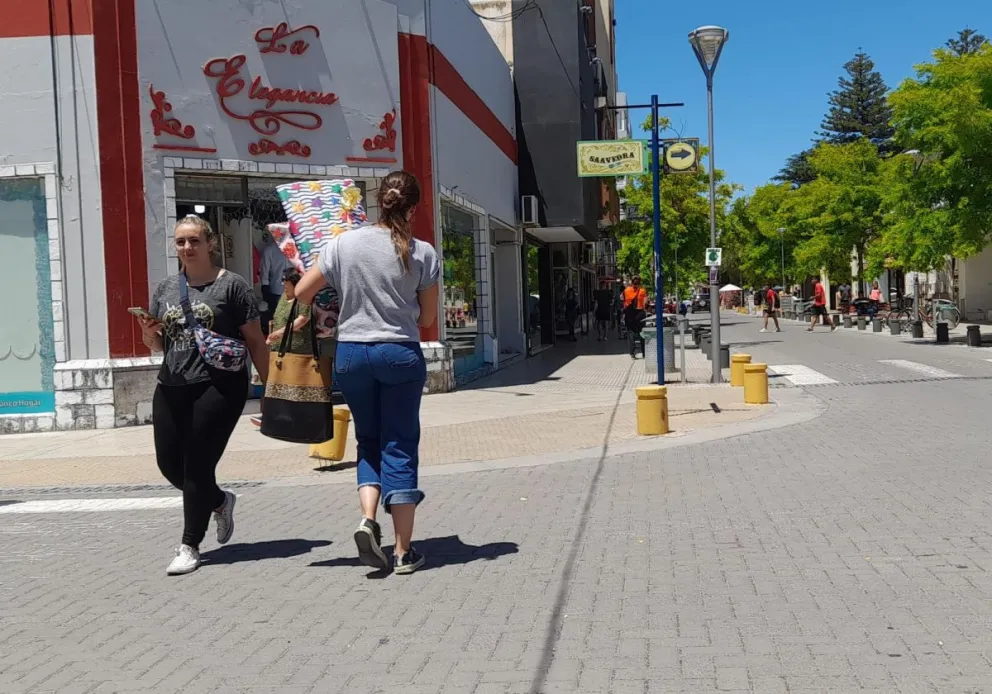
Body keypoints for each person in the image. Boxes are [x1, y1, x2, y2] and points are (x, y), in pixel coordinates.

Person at [296, 171, 439, 575]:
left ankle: (367, 519)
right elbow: (427, 318)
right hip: (399, 354)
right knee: (401, 444)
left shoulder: (344, 243)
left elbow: (304, 292)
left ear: (378, 201)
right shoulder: (423, 252)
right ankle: (402, 551)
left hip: (352, 354)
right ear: (413, 208)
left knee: (369, 440)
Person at [137, 215, 269, 575]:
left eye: (194, 240)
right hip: (172, 384)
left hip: (219, 385)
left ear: (210, 243)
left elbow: (255, 340)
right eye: (180, 241)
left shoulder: (233, 286)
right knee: (170, 465)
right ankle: (219, 500)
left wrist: (269, 390)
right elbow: (159, 345)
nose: (187, 248)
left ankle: (189, 544)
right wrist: (150, 334)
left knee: (197, 465)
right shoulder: (166, 288)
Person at [266, 268, 313, 354]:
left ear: (295, 283)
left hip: (296, 353)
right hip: (278, 350)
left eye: (286, 282)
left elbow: (302, 319)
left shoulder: (303, 297)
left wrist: (279, 333)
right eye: (283, 282)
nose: (283, 285)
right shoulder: (284, 296)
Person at [258, 231, 289, 334]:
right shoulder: (269, 250)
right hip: (276, 291)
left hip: (294, 289)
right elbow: (264, 271)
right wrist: (265, 287)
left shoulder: (295, 249)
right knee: (277, 318)